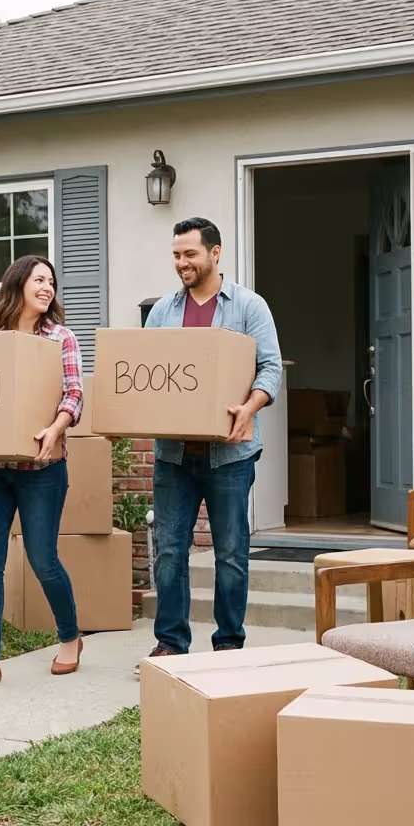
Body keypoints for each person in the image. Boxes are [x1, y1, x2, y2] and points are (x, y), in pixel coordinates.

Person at [138, 217, 283, 671]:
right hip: (174, 455)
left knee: (232, 554)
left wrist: (250, 407)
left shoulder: (248, 306)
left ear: (215, 253)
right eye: (177, 255)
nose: (182, 263)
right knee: (170, 551)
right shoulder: (162, 311)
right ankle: (171, 642)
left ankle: (228, 646)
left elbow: (271, 369)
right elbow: (148, 375)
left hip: (230, 454)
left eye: (190, 254)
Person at [0, 255, 85, 693]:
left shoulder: (61, 339)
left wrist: (56, 427)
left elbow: (74, 394)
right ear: (18, 285)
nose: (47, 287)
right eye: (39, 280)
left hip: (42, 468)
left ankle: (69, 638)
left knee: (43, 559)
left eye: (52, 281)